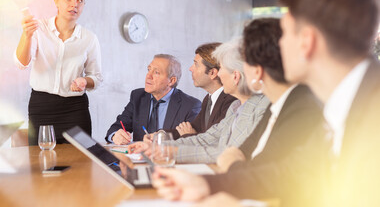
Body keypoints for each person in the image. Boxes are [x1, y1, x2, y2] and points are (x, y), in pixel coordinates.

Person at [152, 18, 328, 206]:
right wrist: (206, 180)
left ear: (257, 71)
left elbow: (258, 170)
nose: (220, 74)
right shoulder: (275, 105)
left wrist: (226, 169)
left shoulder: (299, 106)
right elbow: (245, 161)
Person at [278, 0, 380, 206]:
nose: (280, 43)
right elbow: (293, 172)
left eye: (283, 32)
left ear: (306, 42)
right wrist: (208, 185)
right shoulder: (342, 104)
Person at [129, 39, 270, 164]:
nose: (220, 74)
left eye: (223, 69)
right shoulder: (236, 107)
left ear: (236, 77)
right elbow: (205, 139)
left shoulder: (261, 108)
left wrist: (166, 151)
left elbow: (226, 153)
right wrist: (158, 147)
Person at [15, 0, 102, 145]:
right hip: (42, 108)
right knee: (41, 165)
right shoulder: (38, 29)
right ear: (56, 1)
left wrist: (85, 81)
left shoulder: (89, 38)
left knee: (79, 164)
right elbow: (22, 63)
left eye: (80, 0)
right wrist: (26, 35)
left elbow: (96, 78)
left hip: (75, 110)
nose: (74, 4)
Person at [105, 54, 201, 143]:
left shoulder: (191, 105)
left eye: (156, 72)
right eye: (148, 70)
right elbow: (117, 127)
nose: (148, 76)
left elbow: (192, 141)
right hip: (138, 158)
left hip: (169, 158)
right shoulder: (138, 97)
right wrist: (115, 136)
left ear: (171, 81)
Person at [167, 42, 236, 140]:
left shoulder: (231, 101)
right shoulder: (208, 99)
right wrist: (160, 135)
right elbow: (193, 128)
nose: (191, 69)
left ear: (212, 73)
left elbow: (215, 141)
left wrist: (189, 135)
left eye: (196, 64)